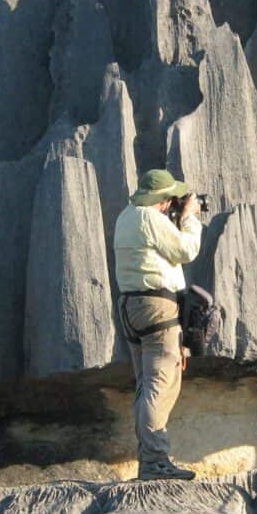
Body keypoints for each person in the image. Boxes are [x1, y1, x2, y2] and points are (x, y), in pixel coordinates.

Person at [114, 169, 203, 480]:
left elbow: (159, 250)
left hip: (131, 306)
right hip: (156, 307)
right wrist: (190, 218)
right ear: (164, 200)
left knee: (145, 385)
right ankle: (155, 462)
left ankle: (148, 458)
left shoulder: (126, 216)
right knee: (160, 386)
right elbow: (185, 250)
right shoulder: (149, 218)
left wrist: (174, 218)